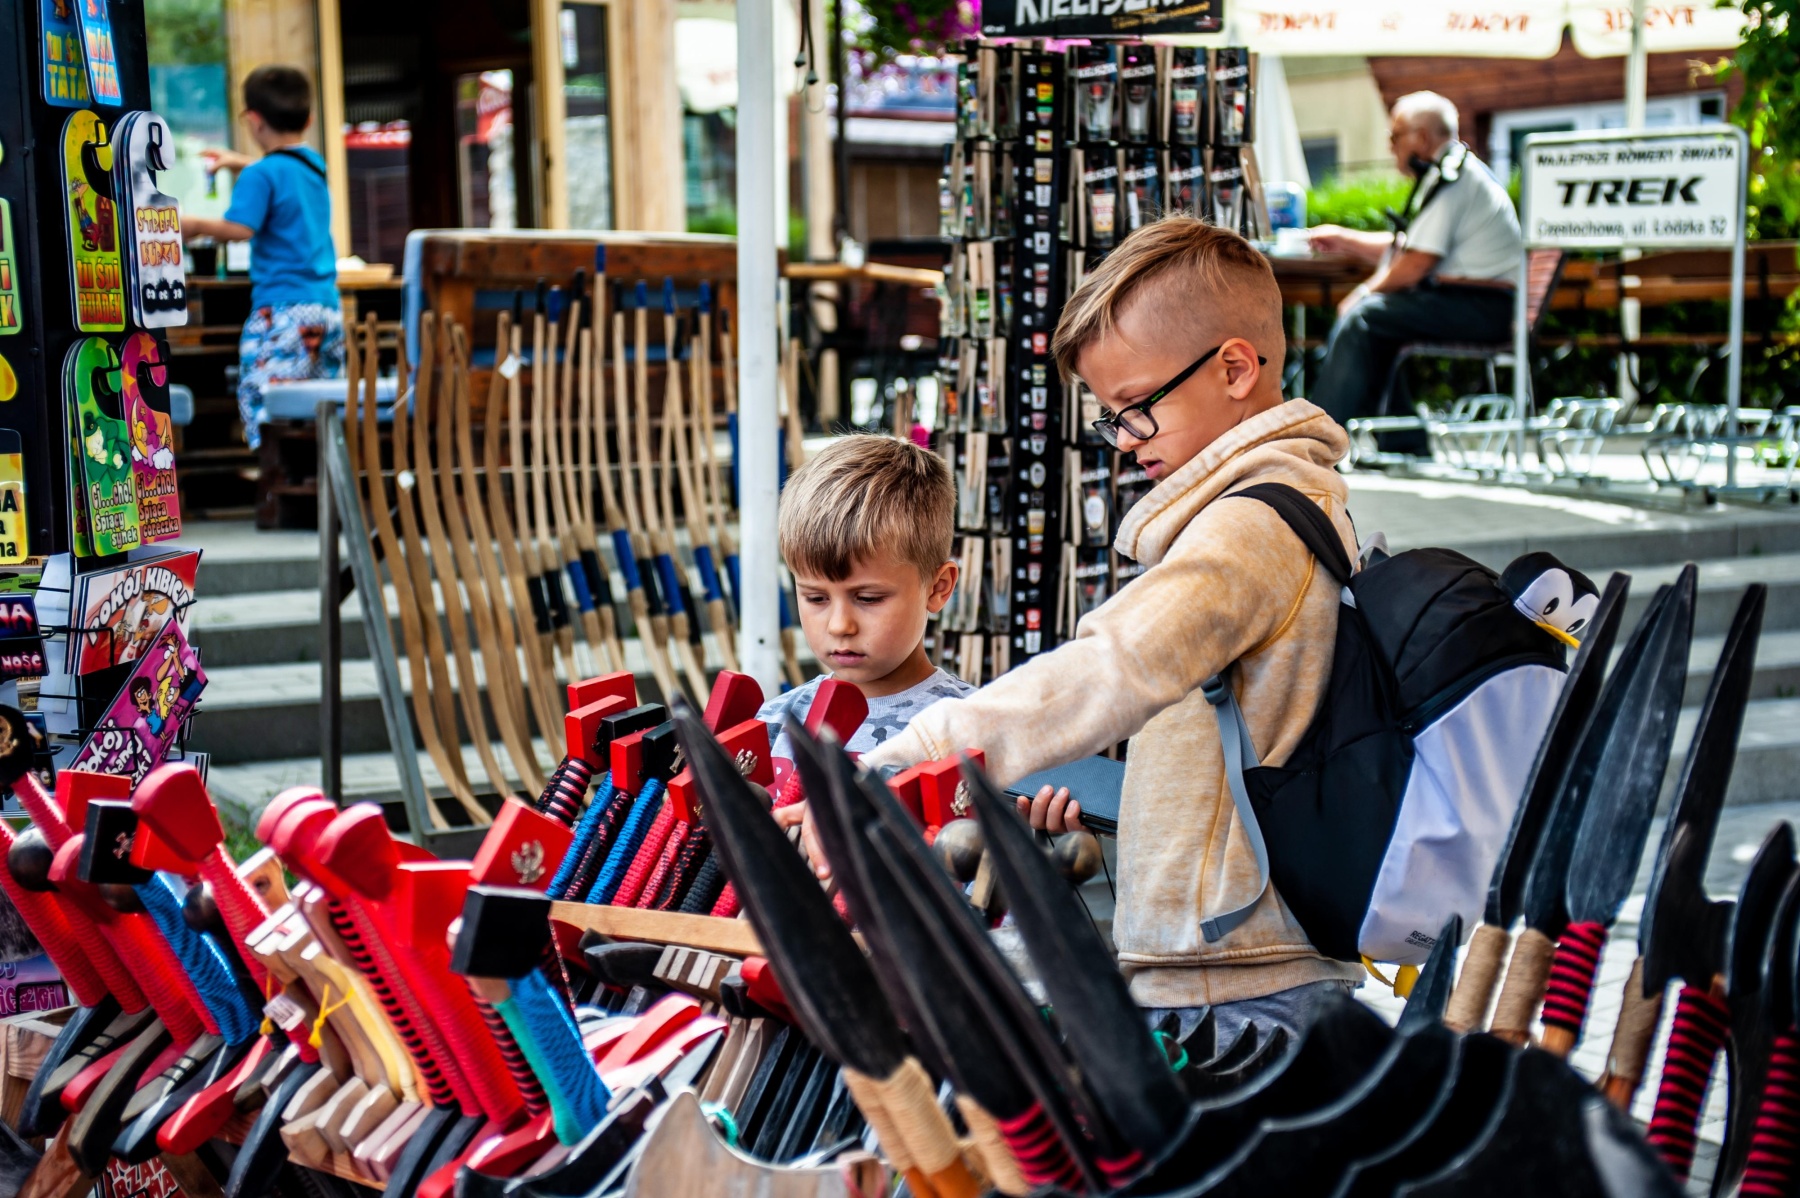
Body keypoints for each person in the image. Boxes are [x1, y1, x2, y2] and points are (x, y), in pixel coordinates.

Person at [842, 216, 1366, 1042]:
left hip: (1236, 980)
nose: (1123, 442)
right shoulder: (1283, 506)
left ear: (1234, 369)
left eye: (1137, 408)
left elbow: (1112, 669)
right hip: (1232, 962)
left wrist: (902, 760)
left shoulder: (1248, 530)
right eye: (1110, 417)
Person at [757, 434, 975, 777]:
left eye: (868, 598)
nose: (839, 625)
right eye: (816, 598)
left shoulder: (974, 727)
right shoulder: (771, 726)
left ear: (938, 588)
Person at [1307, 91, 1522, 430]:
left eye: (1395, 136)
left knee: (1364, 317)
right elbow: (1409, 248)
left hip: (1485, 306)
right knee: (1378, 324)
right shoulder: (1454, 170)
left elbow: (1417, 263)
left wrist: (1362, 293)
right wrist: (1344, 240)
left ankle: (1318, 438)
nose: (1390, 146)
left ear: (1421, 138)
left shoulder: (1451, 179)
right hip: (1484, 302)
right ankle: (1403, 440)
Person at [183, 65, 343, 450]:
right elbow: (280, 171)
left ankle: (277, 480)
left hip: (282, 312)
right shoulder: (314, 165)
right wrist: (236, 160)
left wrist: (193, 224)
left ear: (253, 120)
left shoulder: (261, 176)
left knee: (264, 403)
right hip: (326, 309)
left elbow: (241, 228)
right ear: (309, 120)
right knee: (320, 411)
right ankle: (318, 479)